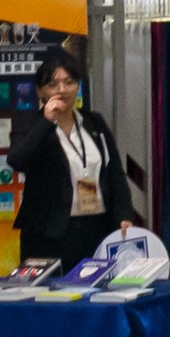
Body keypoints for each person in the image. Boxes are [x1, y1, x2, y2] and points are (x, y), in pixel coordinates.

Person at [10, 55, 138, 267]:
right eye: (53, 84)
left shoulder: (94, 122)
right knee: (52, 288)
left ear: (78, 87)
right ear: (40, 91)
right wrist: (47, 121)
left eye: (69, 82)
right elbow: (17, 161)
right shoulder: (30, 124)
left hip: (97, 228)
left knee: (96, 284)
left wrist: (124, 214)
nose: (62, 90)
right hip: (49, 234)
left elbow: (114, 172)